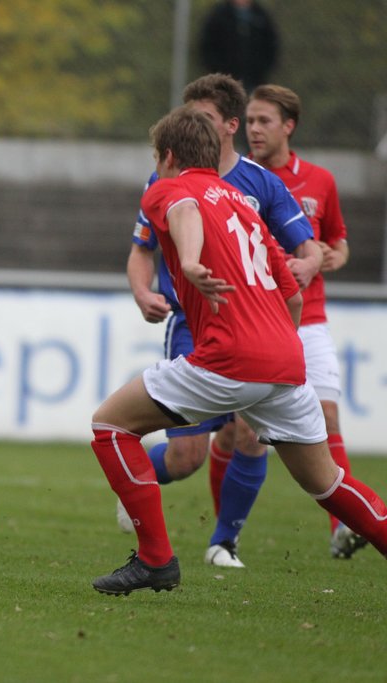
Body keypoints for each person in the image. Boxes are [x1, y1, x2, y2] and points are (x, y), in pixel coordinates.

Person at [91, 105, 387, 596]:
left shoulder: (168, 187)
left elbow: (185, 211)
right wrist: (278, 350)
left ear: (169, 156)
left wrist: (189, 261)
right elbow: (293, 295)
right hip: (286, 359)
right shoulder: (243, 205)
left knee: (110, 427)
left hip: (227, 357)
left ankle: (155, 560)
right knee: (328, 483)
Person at [124, 73, 322, 568]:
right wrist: (143, 291)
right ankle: (136, 480)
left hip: (252, 329)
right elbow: (142, 248)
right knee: (185, 458)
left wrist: (308, 265)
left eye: (205, 118)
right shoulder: (166, 179)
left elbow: (307, 247)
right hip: (193, 325)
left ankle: (224, 542)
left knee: (248, 436)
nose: (193, 125)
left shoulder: (261, 182)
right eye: (189, 116)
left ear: (229, 126)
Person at [246, 84, 366, 559]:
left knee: (327, 415)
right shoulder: (236, 178)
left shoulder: (320, 180)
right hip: (254, 318)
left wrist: (331, 257)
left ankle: (343, 528)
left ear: (288, 126)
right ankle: (224, 537)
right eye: (249, 121)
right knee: (239, 436)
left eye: (264, 121)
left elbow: (338, 239)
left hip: (309, 317)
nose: (253, 129)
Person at [200, 0, 279, 94]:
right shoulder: (219, 15)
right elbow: (207, 46)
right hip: (224, 80)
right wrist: (218, 70)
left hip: (254, 80)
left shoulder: (261, 15)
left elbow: (271, 45)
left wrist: (261, 69)